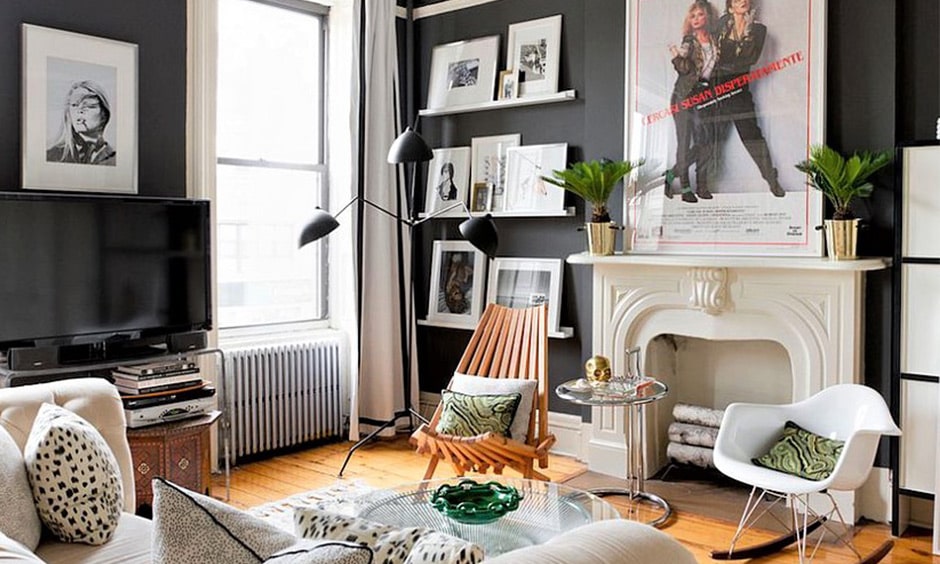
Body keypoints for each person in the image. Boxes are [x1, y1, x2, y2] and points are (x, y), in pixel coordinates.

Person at [713, 0, 785, 197]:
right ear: (730, 7)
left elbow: (749, 59)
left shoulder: (758, 30)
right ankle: (681, 177)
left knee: (752, 136)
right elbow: (711, 56)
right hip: (715, 89)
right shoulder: (720, 25)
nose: (743, 1)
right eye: (736, 0)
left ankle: (771, 179)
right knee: (708, 140)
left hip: (738, 90)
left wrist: (745, 35)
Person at [665, 0, 719, 204]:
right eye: (693, 15)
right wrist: (677, 57)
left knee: (705, 144)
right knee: (684, 141)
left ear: (707, 17)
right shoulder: (689, 40)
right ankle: (686, 187)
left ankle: (686, 180)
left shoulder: (714, 41)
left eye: (700, 15)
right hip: (683, 97)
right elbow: (683, 67)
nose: (696, 19)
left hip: (704, 97)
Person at [46, 80, 116, 166]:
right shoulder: (52, 156)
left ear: (104, 114)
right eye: (74, 105)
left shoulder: (115, 158)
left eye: (89, 106)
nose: (80, 110)